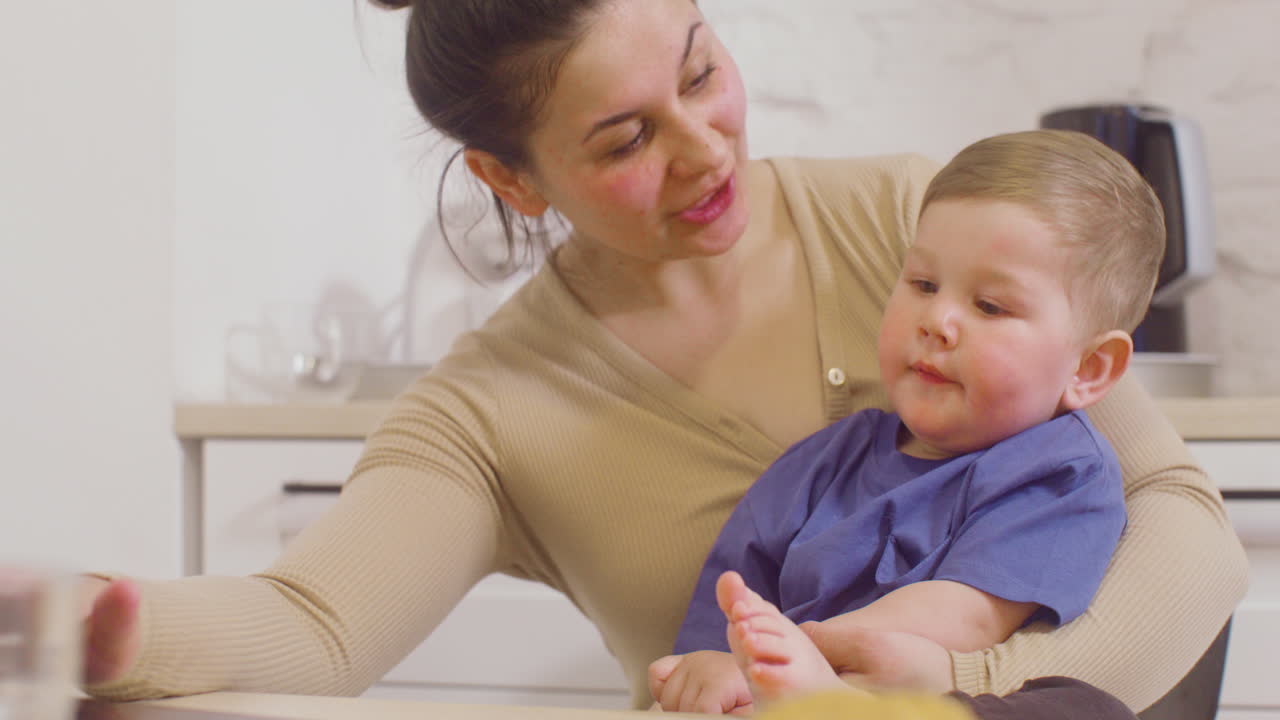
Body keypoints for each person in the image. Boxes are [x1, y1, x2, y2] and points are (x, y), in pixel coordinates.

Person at [81, 0, 1245, 716]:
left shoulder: (916, 224)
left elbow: (1184, 528)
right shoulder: (495, 410)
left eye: (697, 72)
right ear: (512, 176)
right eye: (626, 137)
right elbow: (316, 628)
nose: (705, 150)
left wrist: (936, 699)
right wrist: (72, 617)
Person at [648, 129, 1157, 715]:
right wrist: (713, 665)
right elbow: (732, 595)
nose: (937, 320)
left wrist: (800, 653)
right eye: (922, 284)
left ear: (1090, 368)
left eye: (990, 306)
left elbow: (968, 614)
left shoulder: (1061, 472)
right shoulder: (823, 460)